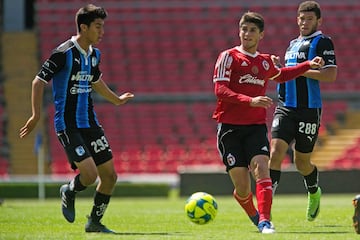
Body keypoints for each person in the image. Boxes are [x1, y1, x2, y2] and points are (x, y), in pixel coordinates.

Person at [19, 4, 134, 233]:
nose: (102, 32)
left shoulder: (94, 54)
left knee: (110, 176)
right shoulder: (63, 53)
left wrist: (116, 100)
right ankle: (69, 190)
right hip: (68, 125)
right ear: (84, 27)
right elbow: (38, 81)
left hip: (89, 123)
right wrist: (35, 115)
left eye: (103, 27)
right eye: (98, 27)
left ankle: (94, 222)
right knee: (90, 175)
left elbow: (96, 80)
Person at [212, 11, 324, 234]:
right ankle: (254, 213)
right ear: (239, 31)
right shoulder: (229, 56)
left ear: (261, 35)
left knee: (262, 169)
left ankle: (265, 220)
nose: (247, 34)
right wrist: (250, 100)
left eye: (253, 30)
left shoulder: (264, 62)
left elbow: (281, 74)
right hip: (229, 128)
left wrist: (308, 64)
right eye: (244, 29)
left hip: (255, 128)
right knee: (243, 189)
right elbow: (220, 90)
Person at [269, 0, 337, 222]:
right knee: (275, 152)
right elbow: (287, 74)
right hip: (285, 106)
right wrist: (279, 69)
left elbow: (330, 75)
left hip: (309, 109)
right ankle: (265, 206)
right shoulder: (292, 44)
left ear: (318, 21)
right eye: (301, 18)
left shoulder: (322, 41)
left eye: (309, 18)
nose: (304, 22)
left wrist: (301, 70)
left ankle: (314, 191)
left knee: (301, 163)